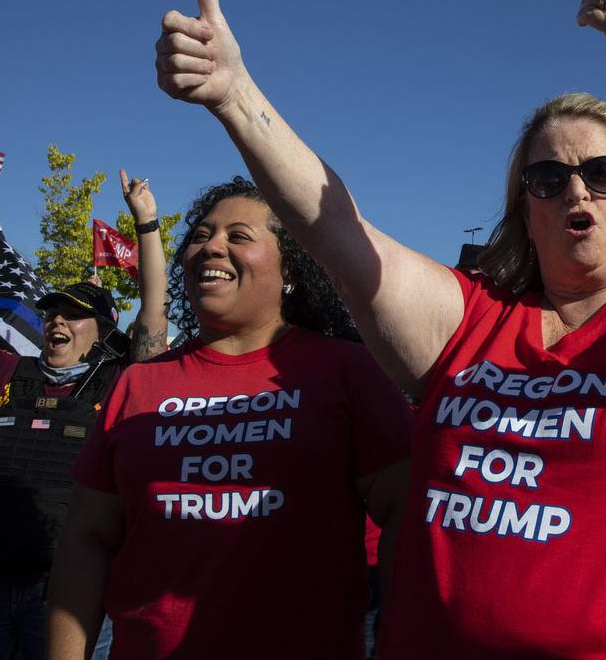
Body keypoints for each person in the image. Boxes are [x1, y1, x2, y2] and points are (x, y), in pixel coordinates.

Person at [153, 0, 606, 657]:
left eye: (602, 172)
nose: (575, 190)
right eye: (548, 178)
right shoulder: (470, 317)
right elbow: (336, 229)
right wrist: (233, 93)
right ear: (524, 211)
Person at [47, 178, 413, 660]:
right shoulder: (138, 384)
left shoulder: (349, 371)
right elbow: (87, 539)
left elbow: (407, 515)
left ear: (293, 269)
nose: (211, 246)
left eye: (239, 236)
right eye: (200, 235)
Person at [0, 172, 169, 660]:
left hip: (67, 597)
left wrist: (147, 223)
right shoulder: (6, 373)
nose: (56, 320)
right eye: (51, 312)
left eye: (71, 314)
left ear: (100, 331)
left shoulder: (121, 382)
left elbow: (153, 311)